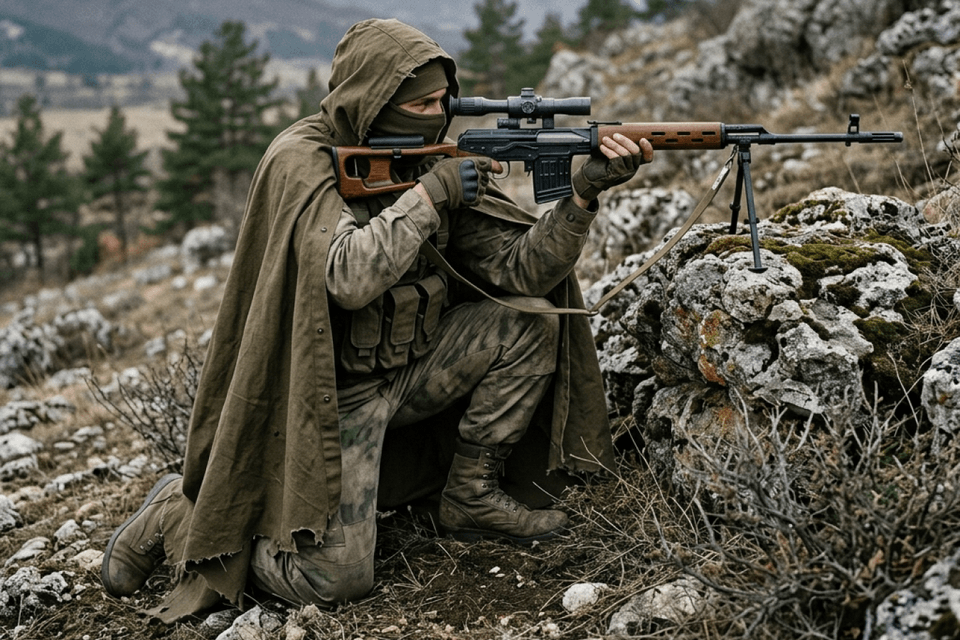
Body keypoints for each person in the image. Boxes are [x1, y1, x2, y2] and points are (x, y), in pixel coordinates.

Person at [100, 18, 653, 621]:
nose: (435, 115)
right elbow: (346, 276)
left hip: (415, 366)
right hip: (329, 403)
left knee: (531, 322)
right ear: (374, 101)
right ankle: (180, 514)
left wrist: (581, 198)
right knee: (333, 580)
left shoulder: (427, 158)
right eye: (419, 104)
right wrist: (431, 194)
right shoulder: (301, 159)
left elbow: (520, 274)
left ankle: (471, 493)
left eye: (444, 102)